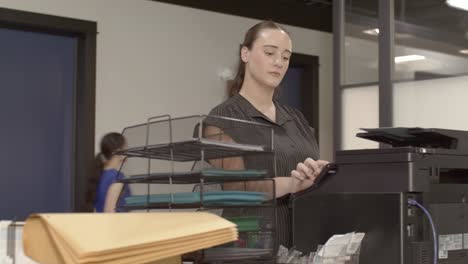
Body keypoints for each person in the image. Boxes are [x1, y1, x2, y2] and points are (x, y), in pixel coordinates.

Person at [207, 20, 329, 247]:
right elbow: (237, 189)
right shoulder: (221, 120)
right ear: (245, 53)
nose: (278, 63)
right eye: (270, 52)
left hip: (301, 245)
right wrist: (291, 184)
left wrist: (319, 175)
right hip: (249, 248)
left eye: (285, 57)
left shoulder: (297, 119)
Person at [85, 132, 131, 213]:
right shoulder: (117, 177)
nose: (128, 150)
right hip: (115, 224)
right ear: (118, 150)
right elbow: (109, 211)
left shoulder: (100, 175)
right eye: (126, 147)